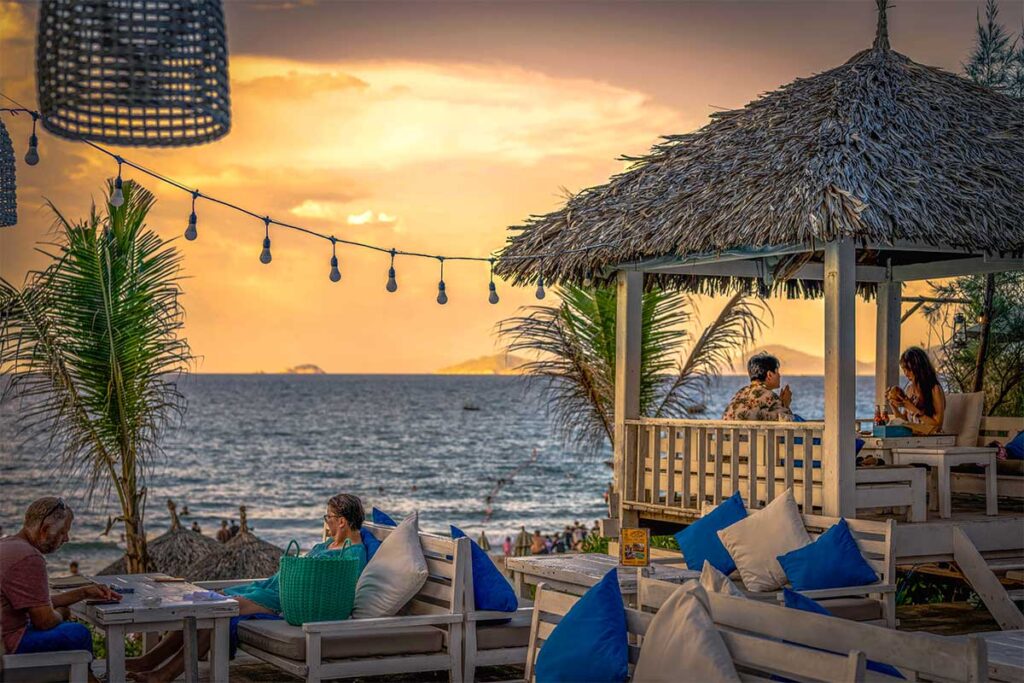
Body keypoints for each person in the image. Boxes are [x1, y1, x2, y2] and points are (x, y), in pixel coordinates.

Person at [127, 494, 369, 683]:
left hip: (288, 601)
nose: (325, 521)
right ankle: (149, 660)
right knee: (203, 605)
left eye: (328, 517)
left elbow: (334, 590)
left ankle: (165, 675)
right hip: (275, 587)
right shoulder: (327, 544)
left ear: (341, 521)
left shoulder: (352, 554)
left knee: (215, 609)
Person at [1, 497, 121, 673]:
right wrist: (62, 614)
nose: (66, 539)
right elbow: (44, 621)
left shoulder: (9, 545)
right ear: (44, 530)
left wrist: (83, 592)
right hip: (9, 644)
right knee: (78, 633)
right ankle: (86, 678)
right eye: (63, 532)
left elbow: (35, 603)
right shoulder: (29, 557)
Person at [887, 346, 946, 434]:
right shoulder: (909, 390)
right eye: (904, 370)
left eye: (909, 369)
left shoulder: (934, 389)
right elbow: (905, 421)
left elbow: (937, 426)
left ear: (918, 368)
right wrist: (893, 405)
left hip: (930, 440)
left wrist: (914, 409)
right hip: (913, 439)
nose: (906, 373)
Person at [723, 352, 794, 421]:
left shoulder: (740, 393)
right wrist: (785, 404)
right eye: (777, 372)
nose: (779, 375)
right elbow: (788, 421)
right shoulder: (770, 396)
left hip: (730, 433)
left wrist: (780, 403)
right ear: (769, 375)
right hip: (749, 433)